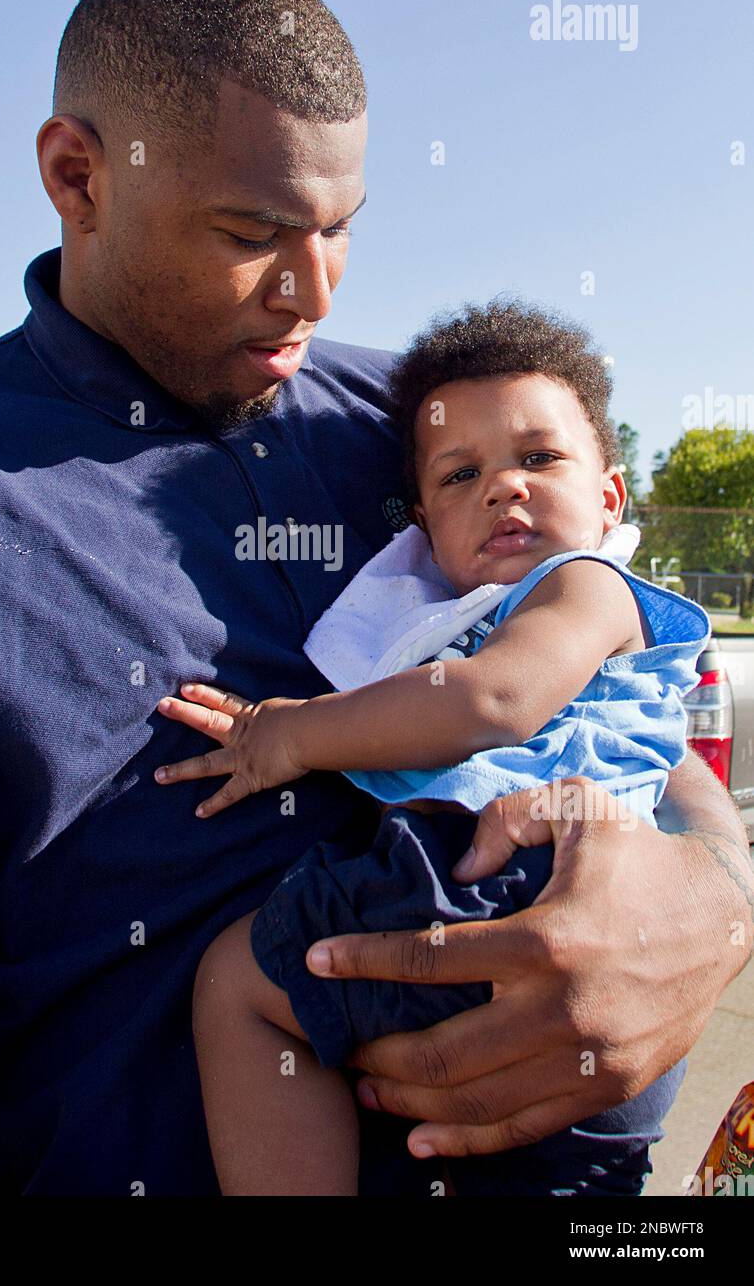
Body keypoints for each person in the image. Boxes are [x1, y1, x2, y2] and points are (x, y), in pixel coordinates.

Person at [0, 0, 750, 1199]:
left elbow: (640, 683)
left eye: (343, 229)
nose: (312, 294)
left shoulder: (437, 430)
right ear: (76, 175)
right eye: (254, 231)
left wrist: (712, 907)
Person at [155, 300, 711, 1195]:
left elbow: (495, 699)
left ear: (609, 497)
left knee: (239, 988)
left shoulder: (587, 585)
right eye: (462, 476)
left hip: (527, 888)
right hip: (555, 951)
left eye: (539, 458)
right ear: (422, 527)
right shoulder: (460, 611)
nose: (504, 486)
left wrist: (287, 734)